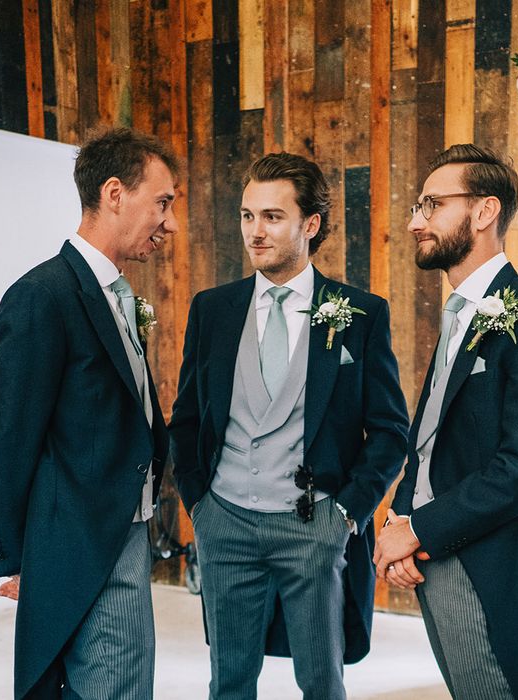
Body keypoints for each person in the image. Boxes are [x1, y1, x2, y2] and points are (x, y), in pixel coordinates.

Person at [169, 152, 409, 699]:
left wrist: (345, 514)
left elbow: (391, 431)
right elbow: (186, 419)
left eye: (273, 217)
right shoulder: (213, 309)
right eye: (248, 215)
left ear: (310, 224)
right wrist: (199, 505)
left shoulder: (359, 313)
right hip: (224, 521)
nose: (256, 231)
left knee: (322, 680)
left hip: (313, 526)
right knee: (228, 680)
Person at [373, 144, 518, 699]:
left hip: (491, 563)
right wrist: (401, 521)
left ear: (484, 211)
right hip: (434, 553)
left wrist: (417, 530)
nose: (414, 220)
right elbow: (430, 444)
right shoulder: (457, 313)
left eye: (431, 204)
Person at [0, 127, 178, 698]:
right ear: (115, 194)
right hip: (83, 540)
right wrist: (17, 557)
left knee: (125, 683)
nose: (170, 222)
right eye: (161, 203)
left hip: (126, 531)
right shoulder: (42, 296)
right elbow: (9, 439)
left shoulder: (117, 293)